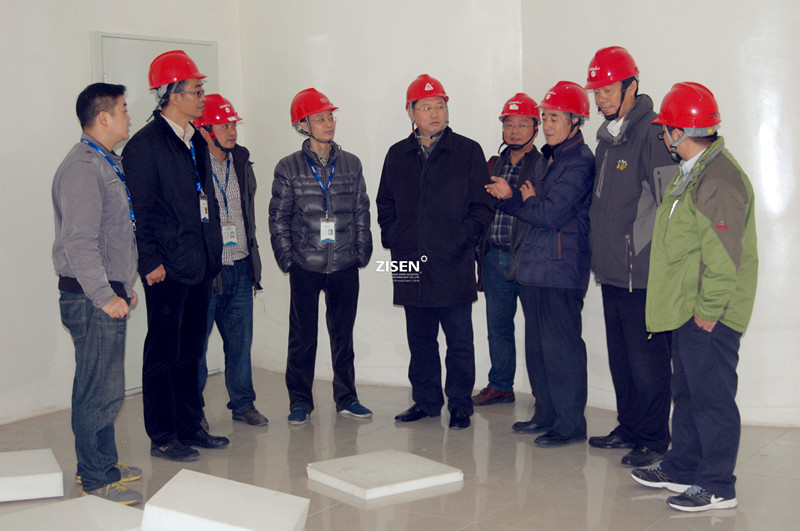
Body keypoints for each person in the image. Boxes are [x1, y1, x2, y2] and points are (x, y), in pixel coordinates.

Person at [631, 82, 758, 512]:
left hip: (709, 312)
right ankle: (683, 466)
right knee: (687, 395)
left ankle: (718, 484)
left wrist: (708, 310)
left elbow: (725, 257)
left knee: (712, 400)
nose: (663, 136)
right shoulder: (696, 171)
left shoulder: (717, 178)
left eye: (666, 129)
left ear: (680, 132)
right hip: (689, 308)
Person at [123, 50, 229, 461]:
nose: (202, 97)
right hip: (165, 269)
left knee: (191, 352)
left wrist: (213, 253)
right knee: (162, 354)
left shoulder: (196, 140)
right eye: (196, 90)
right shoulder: (144, 145)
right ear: (172, 95)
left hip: (198, 264)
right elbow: (139, 210)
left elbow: (207, 204)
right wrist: (149, 262)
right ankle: (163, 434)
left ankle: (190, 425)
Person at [377, 74, 494, 430]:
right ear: (411, 112)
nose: (434, 113)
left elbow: (482, 206)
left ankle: (460, 404)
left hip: (453, 260)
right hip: (409, 260)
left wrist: (462, 238)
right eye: (426, 107)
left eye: (439, 106)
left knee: (459, 340)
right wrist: (395, 236)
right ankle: (426, 401)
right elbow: (385, 203)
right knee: (420, 339)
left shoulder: (467, 151)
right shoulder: (397, 154)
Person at [486, 81, 594, 447]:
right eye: (545, 117)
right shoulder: (552, 158)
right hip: (535, 266)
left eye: (555, 118)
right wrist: (514, 197)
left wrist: (528, 201)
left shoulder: (579, 161)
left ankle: (570, 423)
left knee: (562, 350)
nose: (547, 125)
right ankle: (546, 413)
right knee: (538, 349)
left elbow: (551, 213)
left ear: (576, 121)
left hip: (561, 270)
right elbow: (532, 205)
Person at [584, 46, 676, 467]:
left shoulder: (652, 134)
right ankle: (631, 426)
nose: (601, 98)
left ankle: (654, 437)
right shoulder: (607, 138)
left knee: (647, 362)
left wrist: (653, 259)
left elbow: (669, 206)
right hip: (612, 271)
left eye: (608, 90)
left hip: (643, 271)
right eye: (596, 91)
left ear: (631, 86)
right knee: (622, 359)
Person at [52, 83, 143, 505]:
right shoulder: (84, 168)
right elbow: (80, 242)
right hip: (91, 298)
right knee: (99, 389)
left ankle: (100, 462)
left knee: (103, 385)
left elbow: (114, 234)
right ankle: (95, 477)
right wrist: (106, 295)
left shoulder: (106, 162)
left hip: (104, 291)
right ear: (103, 117)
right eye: (123, 109)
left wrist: (123, 286)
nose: (129, 116)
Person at [269, 88, 373, 426]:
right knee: (302, 338)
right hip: (306, 266)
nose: (328, 123)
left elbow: (361, 210)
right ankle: (300, 401)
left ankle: (347, 398)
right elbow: (278, 218)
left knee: (343, 337)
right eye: (320, 118)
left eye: (330, 117)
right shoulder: (288, 167)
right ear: (302, 125)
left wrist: (361, 251)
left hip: (344, 263)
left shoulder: (351, 164)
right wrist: (288, 260)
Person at [195, 94, 267, 427]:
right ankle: (194, 411)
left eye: (233, 124)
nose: (232, 131)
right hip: (208, 272)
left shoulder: (241, 161)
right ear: (205, 130)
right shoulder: (193, 165)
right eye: (224, 125)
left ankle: (243, 404)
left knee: (240, 344)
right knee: (196, 348)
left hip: (240, 265)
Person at [473, 93, 544, 407]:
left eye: (523, 124)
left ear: (536, 129)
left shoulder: (544, 165)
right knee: (497, 327)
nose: (515, 131)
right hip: (494, 256)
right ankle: (501, 385)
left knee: (538, 330)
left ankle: (543, 391)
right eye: (509, 124)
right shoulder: (492, 164)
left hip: (528, 259)